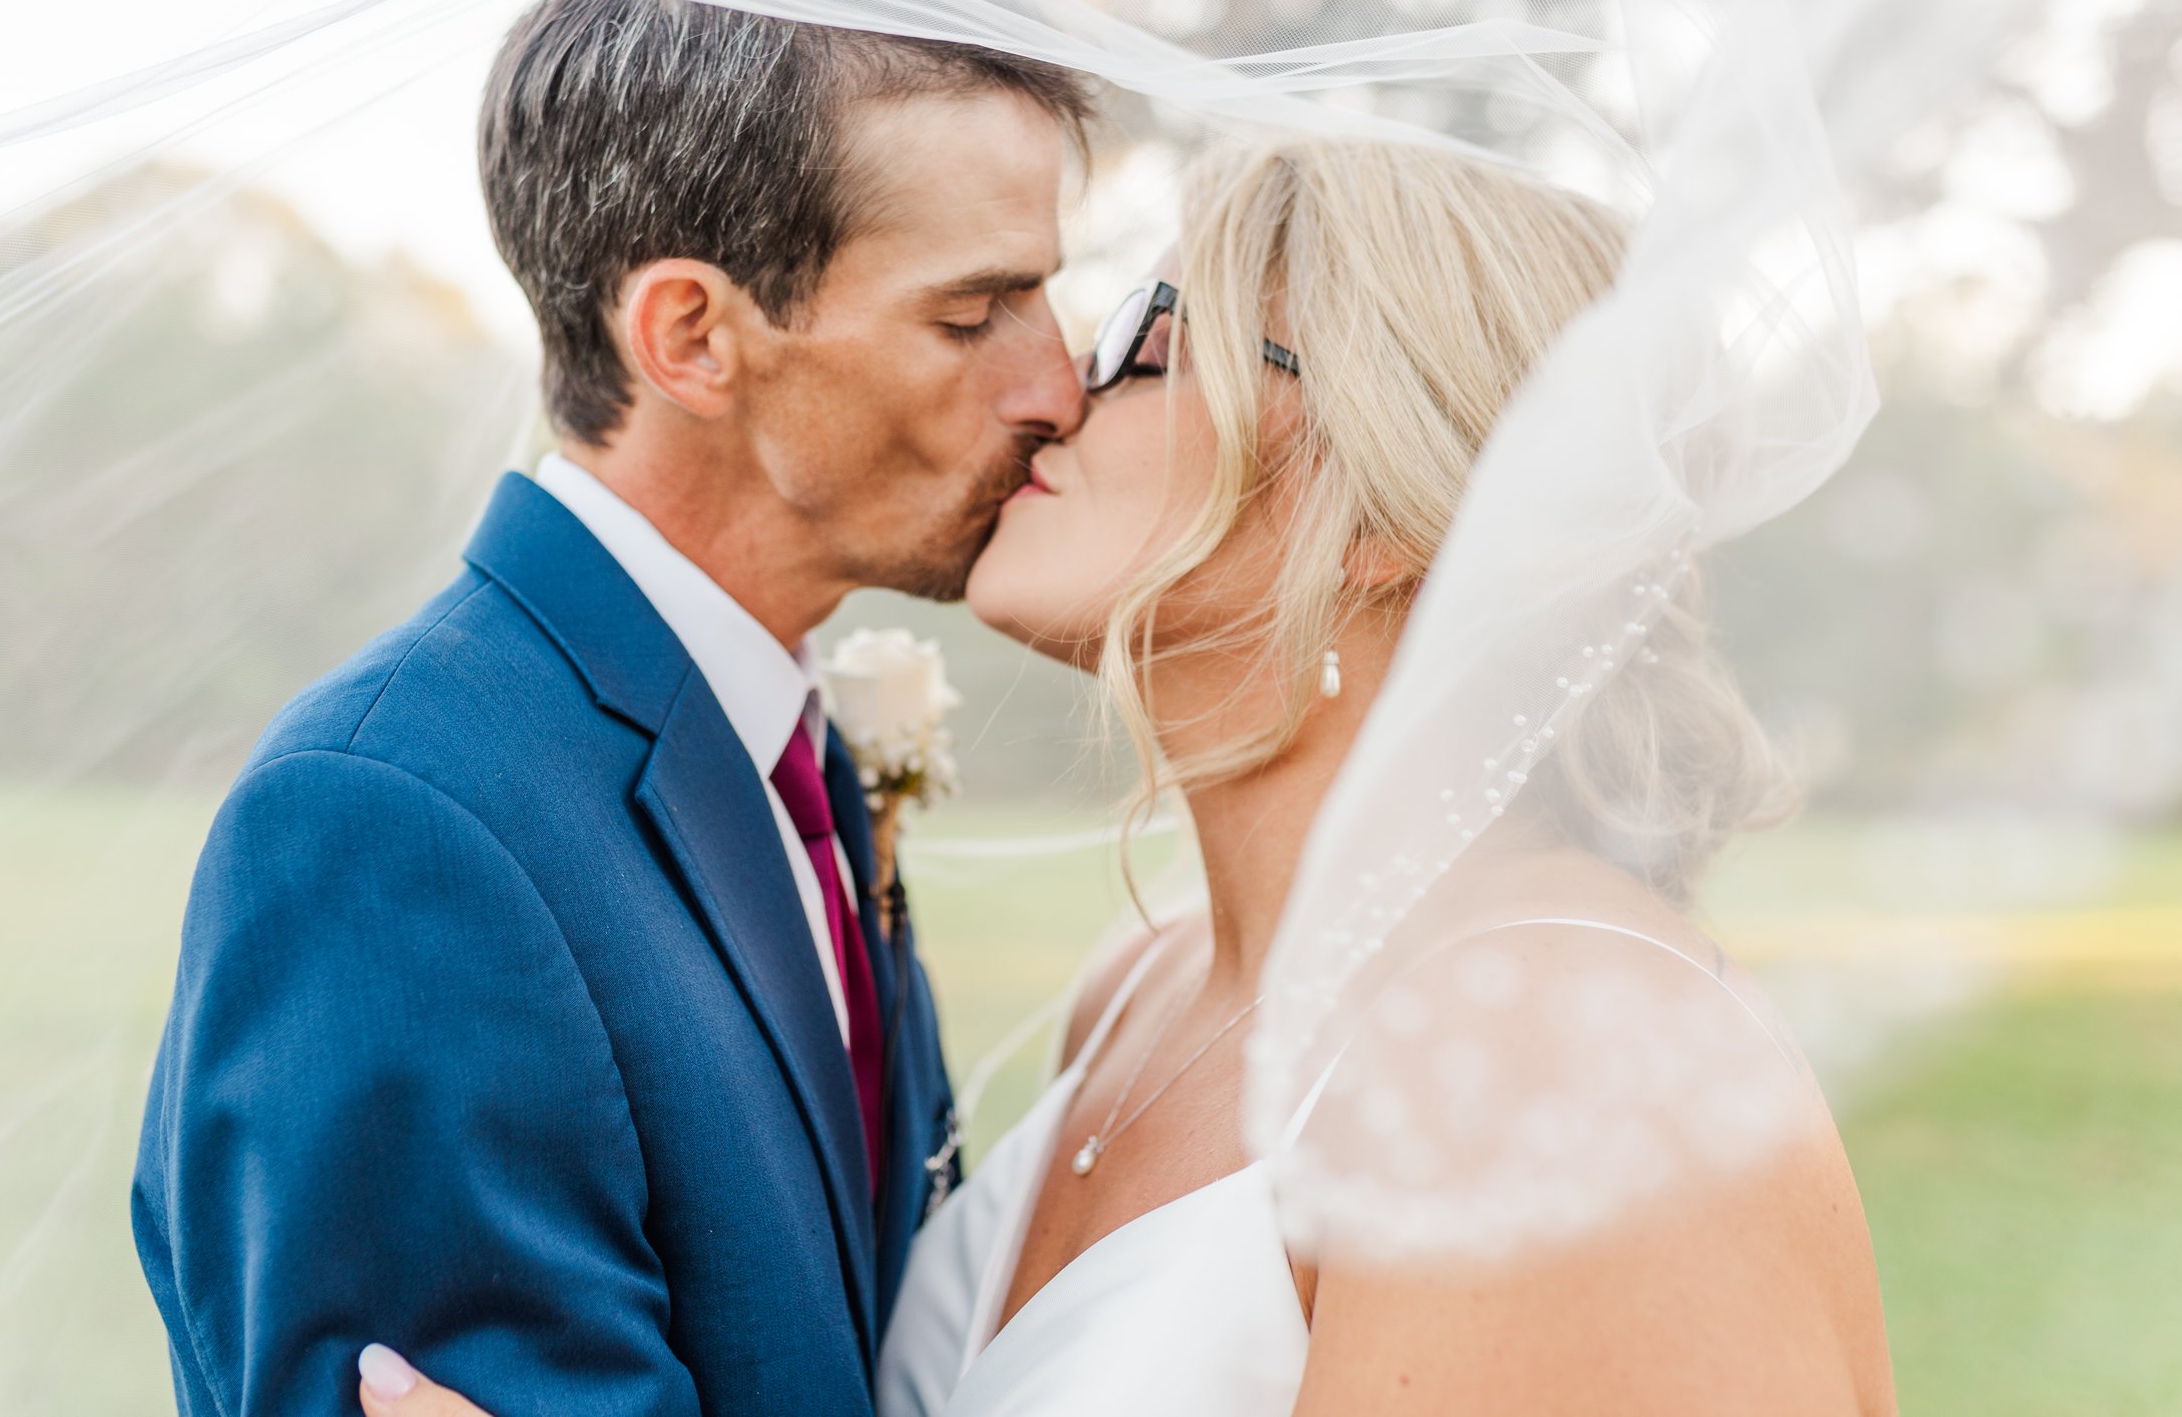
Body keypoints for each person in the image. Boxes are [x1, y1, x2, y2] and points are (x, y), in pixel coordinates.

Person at [354, 135, 1896, 1417]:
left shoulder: (1562, 1062)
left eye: (1148, 344)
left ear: (1394, 507)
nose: (1052, 395)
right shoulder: (1140, 992)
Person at [131, 0, 1094, 1417]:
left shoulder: (803, 762)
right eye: (975, 313)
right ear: (692, 335)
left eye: (1044, 294)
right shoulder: (393, 826)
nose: (1058, 385)